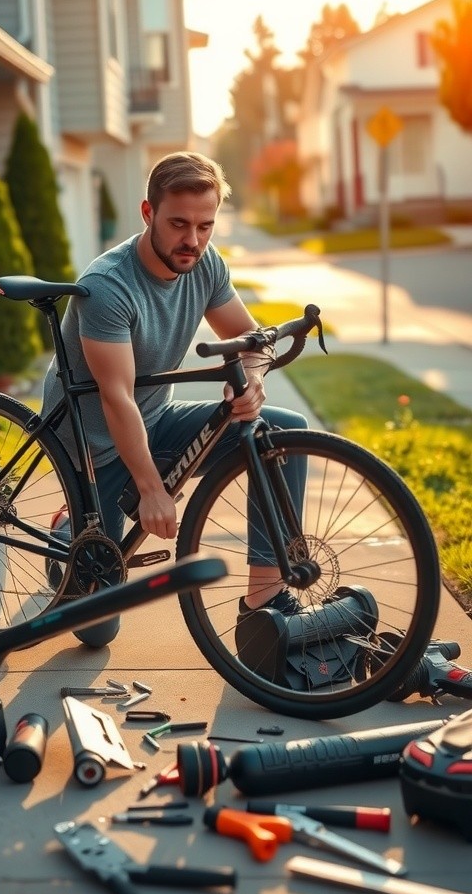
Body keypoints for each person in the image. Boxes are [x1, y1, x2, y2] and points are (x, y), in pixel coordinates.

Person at [41, 151, 308, 647]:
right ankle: (65, 534)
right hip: (89, 450)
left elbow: (251, 339)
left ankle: (265, 603)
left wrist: (250, 381)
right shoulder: (106, 287)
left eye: (206, 226)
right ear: (148, 214)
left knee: (285, 430)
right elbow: (116, 396)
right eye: (179, 224)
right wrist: (151, 490)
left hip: (154, 421)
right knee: (98, 631)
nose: (193, 240)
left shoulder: (205, 265)